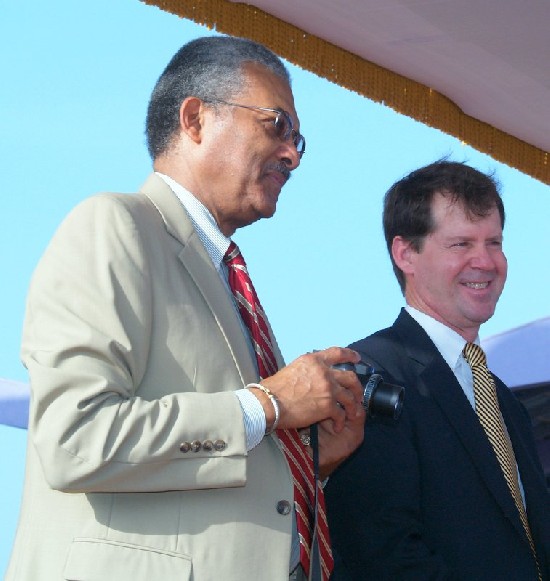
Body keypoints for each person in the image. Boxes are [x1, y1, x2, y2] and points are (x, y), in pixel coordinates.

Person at [6, 36, 366, 581]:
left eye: (298, 139)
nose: (292, 153)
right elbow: (74, 439)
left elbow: (212, 474)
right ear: (195, 119)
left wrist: (308, 460)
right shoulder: (114, 225)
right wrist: (268, 407)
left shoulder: (226, 277)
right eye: (275, 125)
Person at [325, 161, 550, 580]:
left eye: (495, 242)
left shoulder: (505, 401)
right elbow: (379, 551)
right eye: (461, 244)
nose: (485, 261)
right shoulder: (369, 377)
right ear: (405, 253)